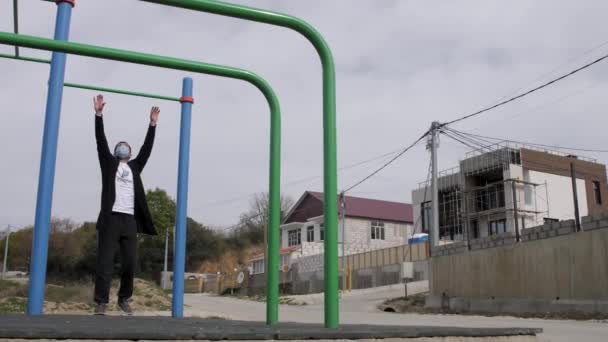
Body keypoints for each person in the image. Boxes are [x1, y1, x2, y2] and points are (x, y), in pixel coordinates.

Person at [92, 94, 159, 315]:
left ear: (129, 154)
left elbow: (147, 149)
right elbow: (100, 140)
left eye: (126, 146)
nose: (123, 147)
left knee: (130, 262)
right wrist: (99, 115)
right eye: (119, 145)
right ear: (115, 152)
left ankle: (123, 299)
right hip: (111, 218)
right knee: (105, 262)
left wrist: (152, 124)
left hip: (129, 219)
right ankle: (101, 302)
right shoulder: (108, 164)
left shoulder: (135, 167)